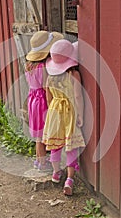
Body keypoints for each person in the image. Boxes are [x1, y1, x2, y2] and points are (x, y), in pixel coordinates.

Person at [42, 39, 86, 195]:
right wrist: (80, 114)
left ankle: (55, 173)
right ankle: (69, 179)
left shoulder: (50, 77)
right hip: (69, 111)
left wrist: (51, 111)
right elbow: (78, 96)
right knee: (70, 146)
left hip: (55, 110)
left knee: (55, 144)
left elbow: (48, 97)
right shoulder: (74, 74)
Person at [25, 30, 64, 170]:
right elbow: (46, 87)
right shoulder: (44, 67)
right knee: (43, 135)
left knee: (38, 135)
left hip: (32, 99)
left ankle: (38, 160)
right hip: (42, 100)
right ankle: (42, 164)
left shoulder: (29, 65)